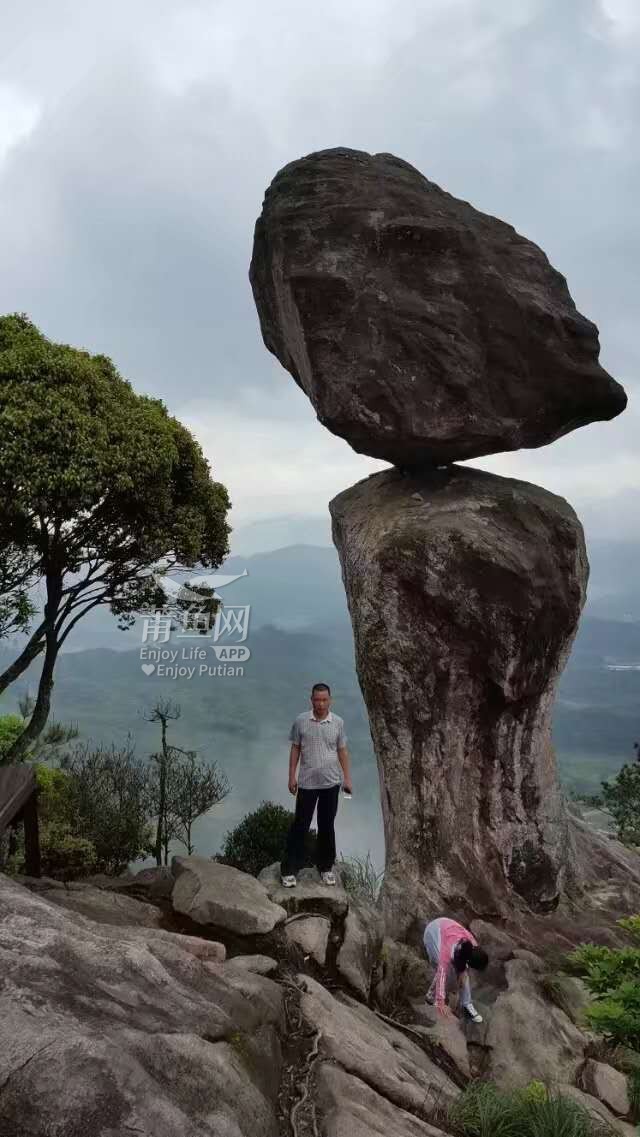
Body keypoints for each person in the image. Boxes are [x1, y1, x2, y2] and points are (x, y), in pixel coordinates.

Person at [280, 682, 352, 888]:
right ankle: (289, 870)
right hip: (307, 783)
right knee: (300, 825)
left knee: (327, 825)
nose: (321, 704)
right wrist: (291, 776)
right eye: (317, 700)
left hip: (331, 782)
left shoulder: (338, 722)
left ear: (330, 700)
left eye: (324, 700)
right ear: (311, 700)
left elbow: (342, 751)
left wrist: (347, 778)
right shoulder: (301, 721)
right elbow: (295, 748)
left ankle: (326, 867)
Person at [423, 916, 488, 1024]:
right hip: (432, 933)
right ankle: (431, 997)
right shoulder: (446, 953)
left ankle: (466, 1005)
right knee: (446, 972)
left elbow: (464, 969)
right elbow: (441, 974)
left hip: (447, 927)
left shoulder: (473, 946)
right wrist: (441, 1002)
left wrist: (462, 973)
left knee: (463, 975)